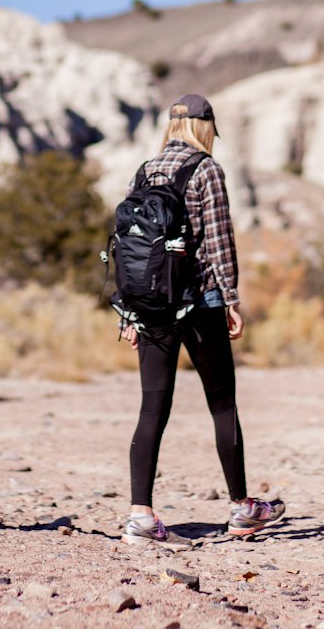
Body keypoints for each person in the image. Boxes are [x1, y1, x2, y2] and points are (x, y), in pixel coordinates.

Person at [119, 94, 284, 544]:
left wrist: (129, 314)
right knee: (222, 404)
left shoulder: (145, 170)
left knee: (152, 408)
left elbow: (129, 250)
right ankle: (241, 508)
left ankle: (140, 517)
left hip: (151, 307)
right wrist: (230, 299)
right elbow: (219, 241)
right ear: (204, 126)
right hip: (200, 302)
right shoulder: (206, 169)